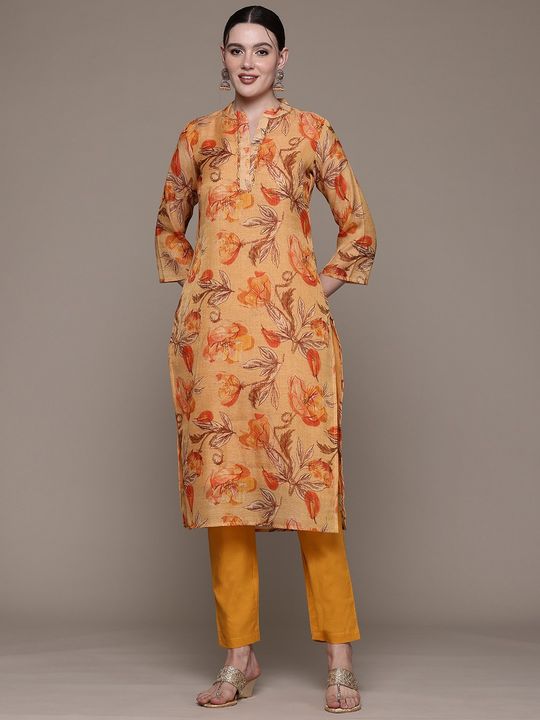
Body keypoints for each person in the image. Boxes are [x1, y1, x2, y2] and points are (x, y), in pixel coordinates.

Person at [154, 5, 377, 713]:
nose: (248, 61)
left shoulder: (312, 132)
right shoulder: (198, 137)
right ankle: (238, 655)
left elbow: (358, 231)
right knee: (227, 500)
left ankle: (340, 660)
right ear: (223, 59)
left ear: (283, 59)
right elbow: (170, 228)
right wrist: (202, 292)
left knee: (314, 497)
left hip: (294, 341)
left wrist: (311, 291)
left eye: (262, 49)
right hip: (216, 343)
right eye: (237, 49)